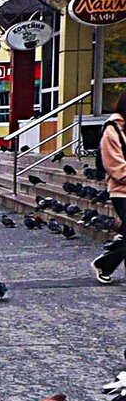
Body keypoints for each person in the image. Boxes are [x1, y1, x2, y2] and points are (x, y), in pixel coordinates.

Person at [91, 91, 126, 284]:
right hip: (122, 191)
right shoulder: (112, 130)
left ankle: (106, 263)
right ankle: (105, 264)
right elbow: (116, 167)